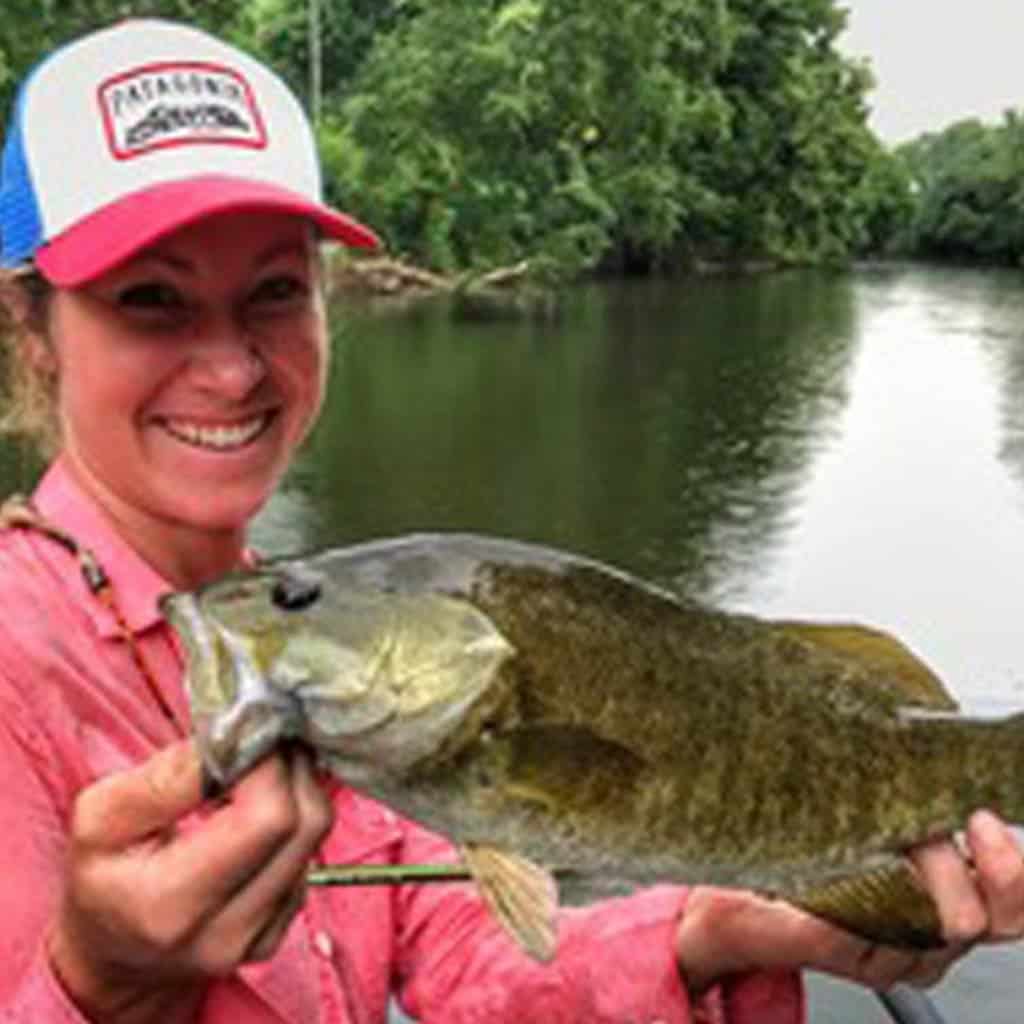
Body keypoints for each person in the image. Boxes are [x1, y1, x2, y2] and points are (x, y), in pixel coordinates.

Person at [0, 17, 1020, 1024]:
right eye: (149, 300)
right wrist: (98, 988)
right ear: (32, 327)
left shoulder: (337, 661)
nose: (229, 368)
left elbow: (458, 950)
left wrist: (728, 927)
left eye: (272, 290)